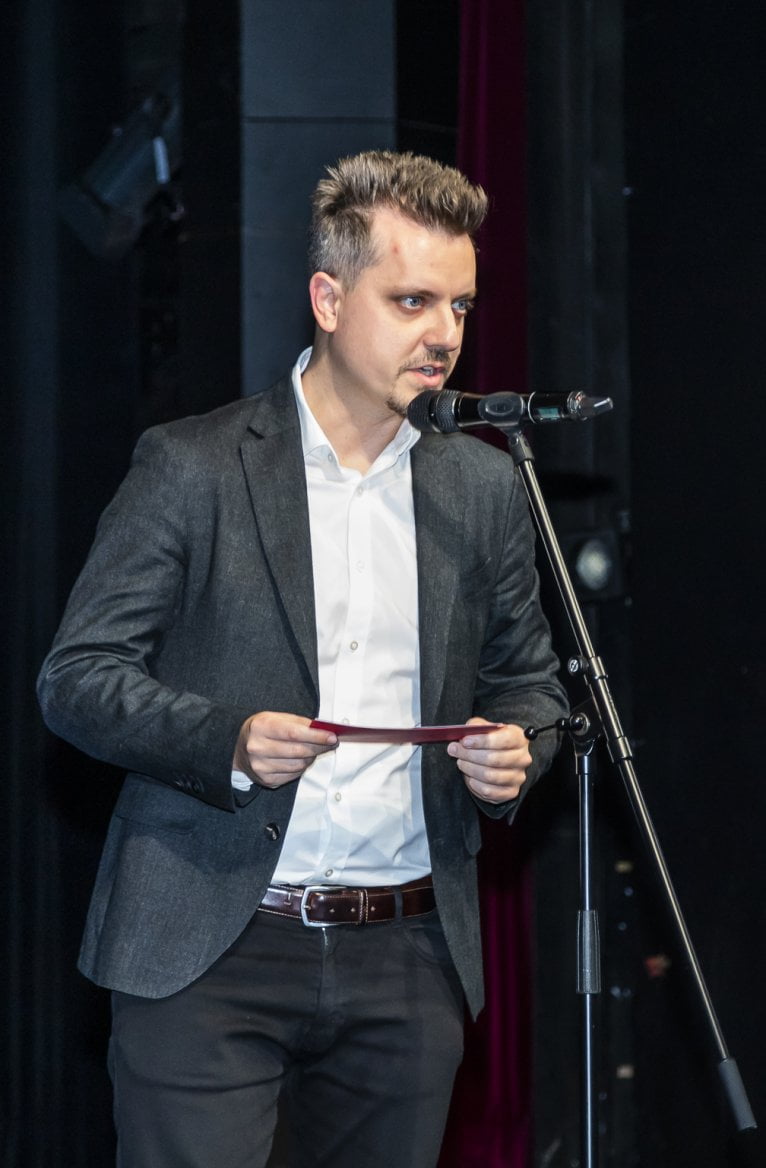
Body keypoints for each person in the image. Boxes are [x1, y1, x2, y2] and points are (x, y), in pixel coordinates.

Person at [38, 150, 567, 1168]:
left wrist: (519, 749)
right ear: (327, 299)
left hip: (406, 955)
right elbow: (78, 677)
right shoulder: (194, 465)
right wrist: (227, 740)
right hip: (209, 949)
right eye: (411, 301)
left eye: (459, 305)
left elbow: (530, 684)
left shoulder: (482, 486)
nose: (444, 333)